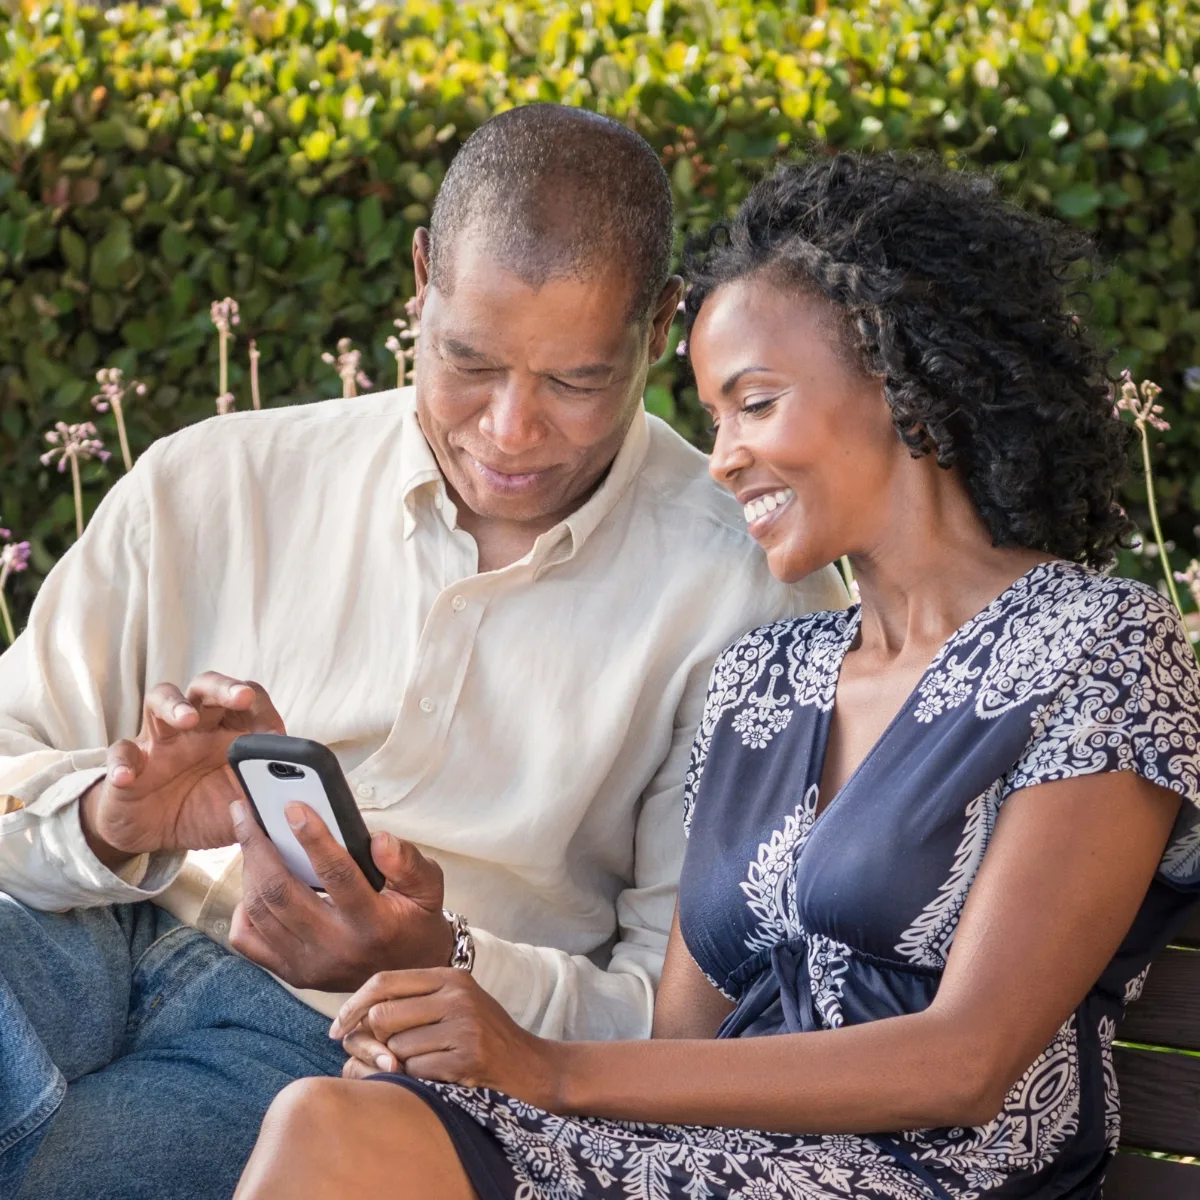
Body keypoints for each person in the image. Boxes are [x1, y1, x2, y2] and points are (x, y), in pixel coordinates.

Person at [235, 150, 1200, 1200]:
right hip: (712, 1162)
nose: (724, 456)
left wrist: (544, 1066)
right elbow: (684, 1043)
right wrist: (464, 1040)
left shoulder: (1098, 646)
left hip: (936, 1178)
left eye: (756, 403)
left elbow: (967, 1064)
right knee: (340, 1119)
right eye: (713, 418)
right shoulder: (765, 677)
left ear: (901, 376)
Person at [0, 105, 845, 1200]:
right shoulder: (210, 484)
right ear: (420, 281)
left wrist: (441, 960)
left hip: (337, 1045)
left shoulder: (751, 594)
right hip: (78, 923)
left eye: (574, 382)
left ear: (658, 330)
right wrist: (105, 824)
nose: (509, 430)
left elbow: (674, 1024)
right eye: (468, 361)